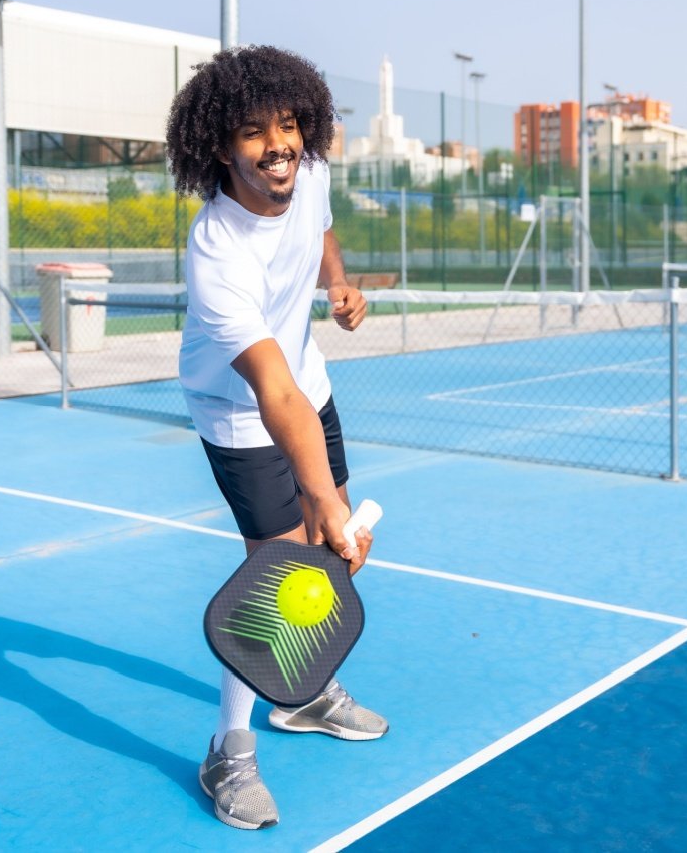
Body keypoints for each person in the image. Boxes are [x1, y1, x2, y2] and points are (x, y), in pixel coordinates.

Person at [164, 45, 384, 831]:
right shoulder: (217, 250)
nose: (279, 144)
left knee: (326, 561)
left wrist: (337, 285)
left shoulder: (309, 171)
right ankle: (229, 749)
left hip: (308, 381)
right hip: (240, 408)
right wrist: (320, 494)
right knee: (279, 572)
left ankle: (306, 697)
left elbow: (320, 230)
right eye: (254, 133)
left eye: (288, 125)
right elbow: (269, 392)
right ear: (220, 147)